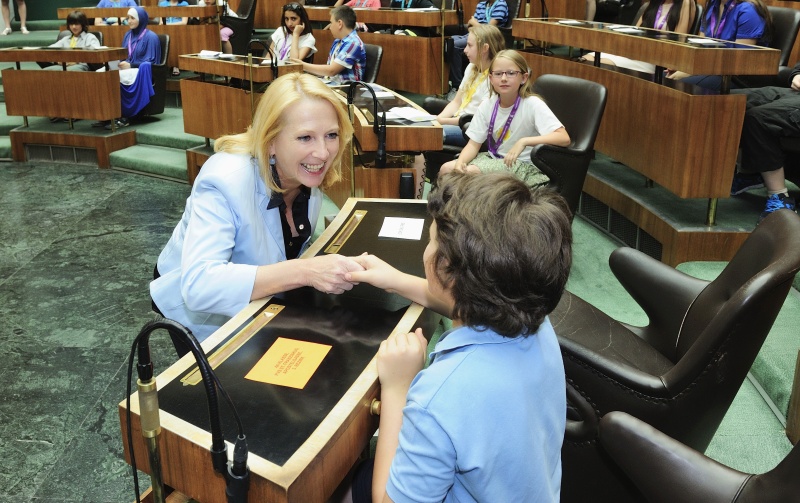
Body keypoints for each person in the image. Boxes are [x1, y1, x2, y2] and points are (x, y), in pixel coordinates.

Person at [343, 171, 571, 503]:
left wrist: (398, 388)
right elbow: (468, 300)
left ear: (447, 265)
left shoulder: (438, 398)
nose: (427, 248)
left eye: (432, 240)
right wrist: (395, 280)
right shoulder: (532, 315)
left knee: (345, 486)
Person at [150, 73, 363, 345]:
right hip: (194, 310)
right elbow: (199, 285)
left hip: (257, 303)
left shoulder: (302, 172)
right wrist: (306, 271)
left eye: (331, 135)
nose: (323, 152)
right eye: (305, 138)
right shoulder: (225, 179)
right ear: (271, 141)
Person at [439, 50, 570, 187]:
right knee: (447, 170)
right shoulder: (488, 104)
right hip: (494, 158)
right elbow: (473, 145)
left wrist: (524, 141)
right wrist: (461, 162)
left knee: (469, 174)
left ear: (524, 78)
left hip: (522, 165)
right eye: (498, 74)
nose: (504, 78)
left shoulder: (532, 104)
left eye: (511, 73)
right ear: (491, 78)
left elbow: (563, 138)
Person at [729, 62, 800, 220]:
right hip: (794, 93)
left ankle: (780, 198)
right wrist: (797, 75)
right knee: (730, 101)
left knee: (759, 118)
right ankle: (751, 172)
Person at [668, 0, 771, 90]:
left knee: (680, 84)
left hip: (736, 78)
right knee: (662, 77)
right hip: (711, 69)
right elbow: (700, 49)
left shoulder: (748, 11)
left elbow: (739, 62)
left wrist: (692, 72)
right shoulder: (712, 4)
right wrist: (685, 66)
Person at [436, 24, 505, 148]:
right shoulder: (471, 67)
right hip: (457, 121)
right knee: (427, 129)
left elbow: (477, 119)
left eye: (470, 45)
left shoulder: (496, 78)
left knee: (431, 134)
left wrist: (441, 122)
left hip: (473, 128)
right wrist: (437, 119)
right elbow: (456, 102)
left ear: (484, 48)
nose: (465, 50)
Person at [582, 0, 696, 73]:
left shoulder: (686, 3)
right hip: (638, 54)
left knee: (598, 63)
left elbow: (679, 41)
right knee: (586, 58)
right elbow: (636, 33)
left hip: (657, 60)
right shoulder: (653, 3)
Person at [93, 7, 162, 129]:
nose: (129, 21)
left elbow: (152, 62)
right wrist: (115, 62)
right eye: (128, 18)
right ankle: (109, 114)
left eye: (132, 18)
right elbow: (124, 55)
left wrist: (132, 65)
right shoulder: (127, 35)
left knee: (117, 76)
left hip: (140, 71)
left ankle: (127, 116)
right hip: (126, 68)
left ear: (141, 19)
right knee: (101, 73)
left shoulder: (151, 37)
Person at [291, 5, 366, 85]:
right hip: (330, 83)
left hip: (344, 90)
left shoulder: (353, 43)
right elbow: (328, 72)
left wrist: (302, 65)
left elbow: (331, 71)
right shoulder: (337, 41)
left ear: (340, 24)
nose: (330, 27)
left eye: (331, 22)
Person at [448, 0, 509, 92]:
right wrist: (475, 26)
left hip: (489, 38)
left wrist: (475, 24)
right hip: (474, 34)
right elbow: (470, 26)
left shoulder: (500, 4)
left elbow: (489, 30)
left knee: (455, 45)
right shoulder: (481, 4)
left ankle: (457, 85)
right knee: (451, 40)